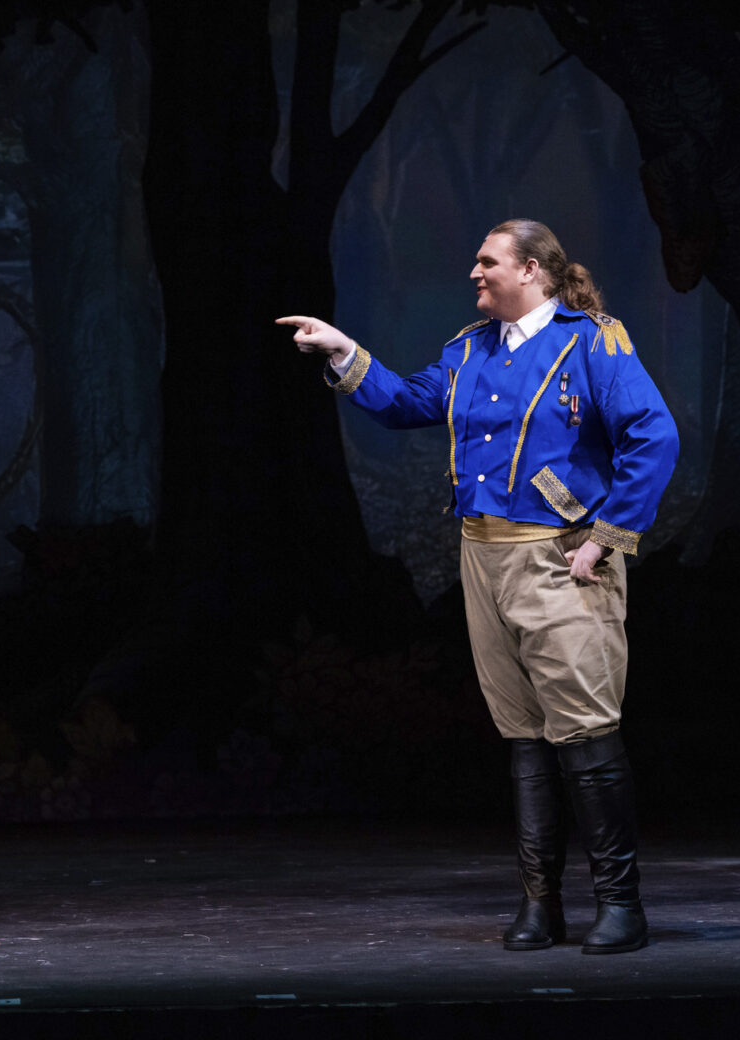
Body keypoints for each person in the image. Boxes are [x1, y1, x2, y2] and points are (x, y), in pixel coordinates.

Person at [277, 219, 678, 955]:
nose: (474, 272)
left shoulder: (590, 343)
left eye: (487, 261)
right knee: (524, 736)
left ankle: (620, 904)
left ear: (530, 270)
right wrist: (343, 351)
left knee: (584, 733)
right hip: (483, 558)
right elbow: (405, 404)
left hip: (558, 559)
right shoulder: (469, 350)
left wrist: (606, 537)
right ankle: (540, 903)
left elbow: (653, 436)